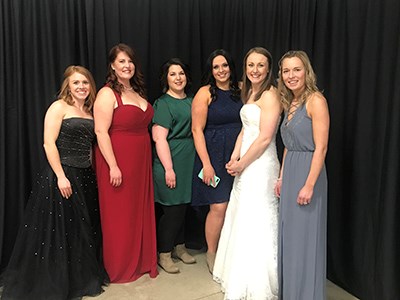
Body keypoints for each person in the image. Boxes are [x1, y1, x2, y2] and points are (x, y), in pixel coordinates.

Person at [1, 66, 108, 299]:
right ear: (67, 86)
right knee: (58, 233)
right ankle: (57, 282)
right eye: (76, 83)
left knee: (80, 230)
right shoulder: (58, 107)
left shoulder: (90, 110)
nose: (81, 87)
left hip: (85, 176)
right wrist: (61, 176)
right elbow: (48, 143)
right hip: (62, 174)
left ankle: (78, 278)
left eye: (85, 83)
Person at [212, 47, 281, 299]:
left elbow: (264, 138)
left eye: (260, 65)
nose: (255, 70)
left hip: (261, 165)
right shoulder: (249, 92)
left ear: (268, 68)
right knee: (241, 215)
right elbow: (245, 129)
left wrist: (242, 164)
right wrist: (234, 156)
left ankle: (260, 281)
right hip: (245, 162)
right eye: (250, 65)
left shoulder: (271, 95)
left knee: (257, 218)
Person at [94, 43, 158, 283]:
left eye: (129, 61)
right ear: (112, 65)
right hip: (117, 160)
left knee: (137, 210)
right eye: (121, 61)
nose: (127, 65)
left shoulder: (137, 92)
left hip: (140, 161)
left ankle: (141, 260)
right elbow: (100, 131)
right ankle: (119, 266)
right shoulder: (107, 93)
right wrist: (113, 165)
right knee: (119, 215)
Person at [274, 50, 329, 300]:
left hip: (309, 174)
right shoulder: (291, 102)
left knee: (306, 240)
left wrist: (309, 185)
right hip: (292, 172)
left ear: (306, 71)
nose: (291, 75)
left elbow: (321, 147)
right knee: (291, 239)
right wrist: (282, 177)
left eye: (296, 69)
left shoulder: (315, 100)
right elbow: (288, 144)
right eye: (286, 70)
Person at [191, 49, 243, 273]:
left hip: (240, 153)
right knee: (219, 206)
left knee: (237, 206)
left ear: (231, 67)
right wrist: (207, 164)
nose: (221, 70)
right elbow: (196, 130)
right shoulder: (205, 93)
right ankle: (212, 252)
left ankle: (231, 251)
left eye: (224, 65)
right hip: (212, 154)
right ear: (210, 71)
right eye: (216, 67)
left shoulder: (242, 89)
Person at [152, 58, 196, 274]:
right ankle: (164, 253)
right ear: (166, 78)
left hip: (189, 160)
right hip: (171, 159)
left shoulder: (193, 100)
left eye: (181, 73)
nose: (178, 78)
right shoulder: (163, 103)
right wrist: (169, 169)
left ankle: (180, 247)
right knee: (173, 210)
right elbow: (159, 139)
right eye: (173, 74)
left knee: (183, 207)